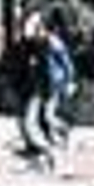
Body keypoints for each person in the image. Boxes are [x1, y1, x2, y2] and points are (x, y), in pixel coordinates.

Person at [15, 9, 76, 174]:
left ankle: (51, 147)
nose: (30, 27)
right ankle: (45, 153)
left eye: (35, 24)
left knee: (44, 118)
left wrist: (69, 81)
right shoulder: (32, 42)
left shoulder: (52, 42)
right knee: (32, 121)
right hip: (37, 87)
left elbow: (66, 63)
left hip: (51, 85)